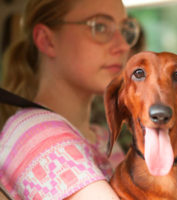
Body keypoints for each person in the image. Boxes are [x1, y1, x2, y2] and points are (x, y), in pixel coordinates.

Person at [0, 0, 140, 199]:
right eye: (100, 27)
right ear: (47, 41)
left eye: (124, 29)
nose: (123, 46)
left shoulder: (101, 137)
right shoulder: (38, 135)